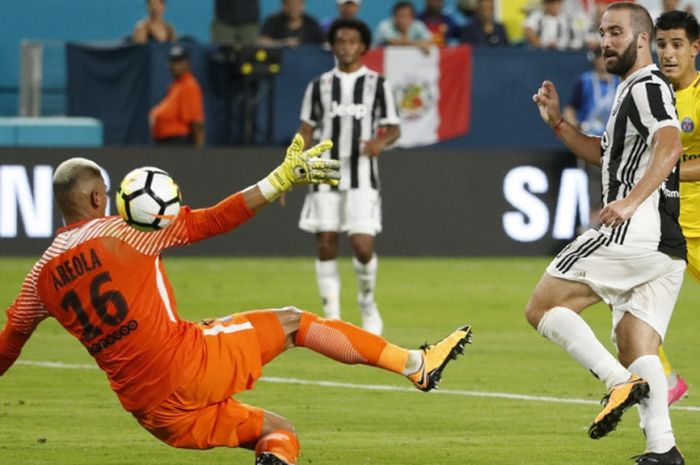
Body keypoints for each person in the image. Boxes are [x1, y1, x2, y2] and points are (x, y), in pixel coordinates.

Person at [0, 137, 472, 465]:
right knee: (294, 323)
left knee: (277, 432)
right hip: (190, 364)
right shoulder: (128, 232)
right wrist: (281, 179)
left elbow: (8, 346)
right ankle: (415, 364)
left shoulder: (38, 280)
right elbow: (214, 220)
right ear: (100, 195)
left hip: (154, 414)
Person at [529, 3, 686, 464]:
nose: (605, 42)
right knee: (636, 342)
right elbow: (605, 151)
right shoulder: (631, 91)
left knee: (542, 306)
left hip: (637, 228)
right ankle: (663, 450)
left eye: (616, 32)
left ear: (642, 39)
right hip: (665, 246)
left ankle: (616, 382)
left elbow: (670, 142)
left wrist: (632, 201)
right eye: (602, 33)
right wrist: (559, 124)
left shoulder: (646, 86)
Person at [297, 18, 401, 336]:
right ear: (332, 46)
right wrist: (292, 167)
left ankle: (367, 303)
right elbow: (306, 129)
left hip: (362, 173)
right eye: (340, 41)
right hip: (324, 170)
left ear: (364, 47)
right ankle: (331, 317)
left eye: (352, 41)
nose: (345, 47)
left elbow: (394, 128)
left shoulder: (377, 84)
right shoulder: (319, 86)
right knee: (326, 242)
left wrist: (378, 142)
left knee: (362, 245)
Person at [655, 8, 700, 400]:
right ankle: (666, 381)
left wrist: (664, 172)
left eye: (677, 45)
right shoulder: (651, 95)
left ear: (695, 48)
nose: (668, 53)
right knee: (625, 297)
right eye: (661, 45)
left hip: (699, 227)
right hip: (662, 226)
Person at [149, 46, 205, 147]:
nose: (175, 66)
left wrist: (198, 156)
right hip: (166, 143)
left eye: (179, 62)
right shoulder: (176, 86)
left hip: (179, 144)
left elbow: (197, 123)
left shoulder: (190, 85)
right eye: (173, 62)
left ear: (187, 64)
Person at [258, 0, 325, 48]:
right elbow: (262, 42)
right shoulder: (272, 21)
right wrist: (282, 43)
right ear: (283, 5)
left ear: (303, 5)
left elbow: (323, 44)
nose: (293, 7)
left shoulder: (312, 23)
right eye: (289, 3)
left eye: (297, 4)